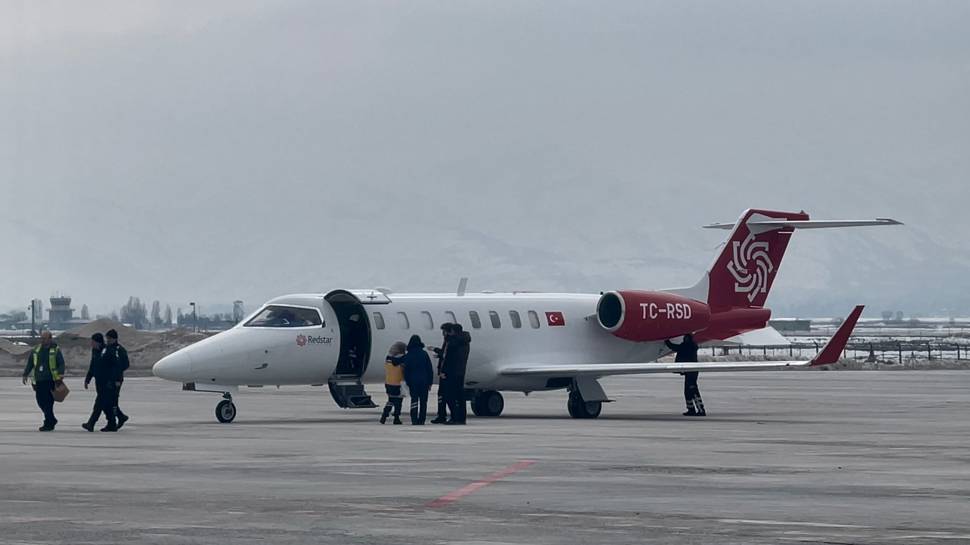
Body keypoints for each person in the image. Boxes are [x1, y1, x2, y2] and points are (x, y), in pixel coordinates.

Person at [21, 330, 66, 431]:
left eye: (44, 338)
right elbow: (30, 363)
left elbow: (61, 363)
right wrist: (25, 374)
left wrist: (60, 374)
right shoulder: (36, 349)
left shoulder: (55, 350)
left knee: (48, 402)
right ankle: (52, 419)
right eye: (41, 338)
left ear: (50, 339)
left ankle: (48, 423)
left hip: (50, 380)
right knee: (40, 401)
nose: (42, 340)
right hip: (39, 380)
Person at [83, 333, 119, 432]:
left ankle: (91, 423)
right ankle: (112, 424)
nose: (91, 344)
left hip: (107, 383)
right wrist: (88, 379)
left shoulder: (108, 351)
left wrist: (114, 380)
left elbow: (115, 367)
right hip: (99, 382)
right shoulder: (95, 351)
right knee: (106, 405)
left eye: (93, 342)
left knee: (98, 404)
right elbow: (92, 365)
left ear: (98, 342)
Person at [665, 333, 705, 416]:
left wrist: (666, 341)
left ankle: (700, 410)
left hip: (691, 371)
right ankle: (691, 409)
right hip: (691, 371)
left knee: (692, 390)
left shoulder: (687, 346)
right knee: (688, 391)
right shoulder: (692, 346)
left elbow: (675, 347)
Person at [401, 334, 435, 425]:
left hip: (413, 381)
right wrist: (430, 382)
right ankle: (422, 419)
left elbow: (406, 370)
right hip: (424, 380)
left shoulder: (409, 355)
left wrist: (407, 381)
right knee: (424, 401)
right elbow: (429, 369)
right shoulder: (424, 354)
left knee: (414, 400)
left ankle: (414, 419)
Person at [441, 324, 471, 425]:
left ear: (453, 331)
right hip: (460, 372)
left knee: (450, 396)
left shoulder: (453, 343)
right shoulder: (465, 341)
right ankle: (461, 418)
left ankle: (454, 417)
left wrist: (443, 372)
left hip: (451, 372)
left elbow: (448, 359)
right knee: (460, 396)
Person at [103, 329, 130, 429]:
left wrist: (117, 375)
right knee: (108, 400)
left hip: (116, 380)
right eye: (107, 338)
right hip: (108, 379)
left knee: (113, 401)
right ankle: (120, 416)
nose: (107, 340)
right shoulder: (107, 349)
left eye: (109, 338)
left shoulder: (120, 350)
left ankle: (115, 420)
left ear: (114, 339)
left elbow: (125, 364)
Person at [429, 323, 453, 424]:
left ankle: (451, 416)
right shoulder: (448, 341)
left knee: (448, 396)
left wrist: (444, 372)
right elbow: (444, 354)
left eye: (444, 331)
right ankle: (441, 415)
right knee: (441, 396)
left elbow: (449, 357)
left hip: (447, 374)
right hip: (444, 372)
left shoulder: (451, 342)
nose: (443, 333)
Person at [380, 342, 406, 425]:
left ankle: (385, 414)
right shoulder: (402, 360)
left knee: (390, 400)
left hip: (388, 382)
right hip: (398, 383)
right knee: (398, 402)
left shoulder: (388, 359)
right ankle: (396, 418)